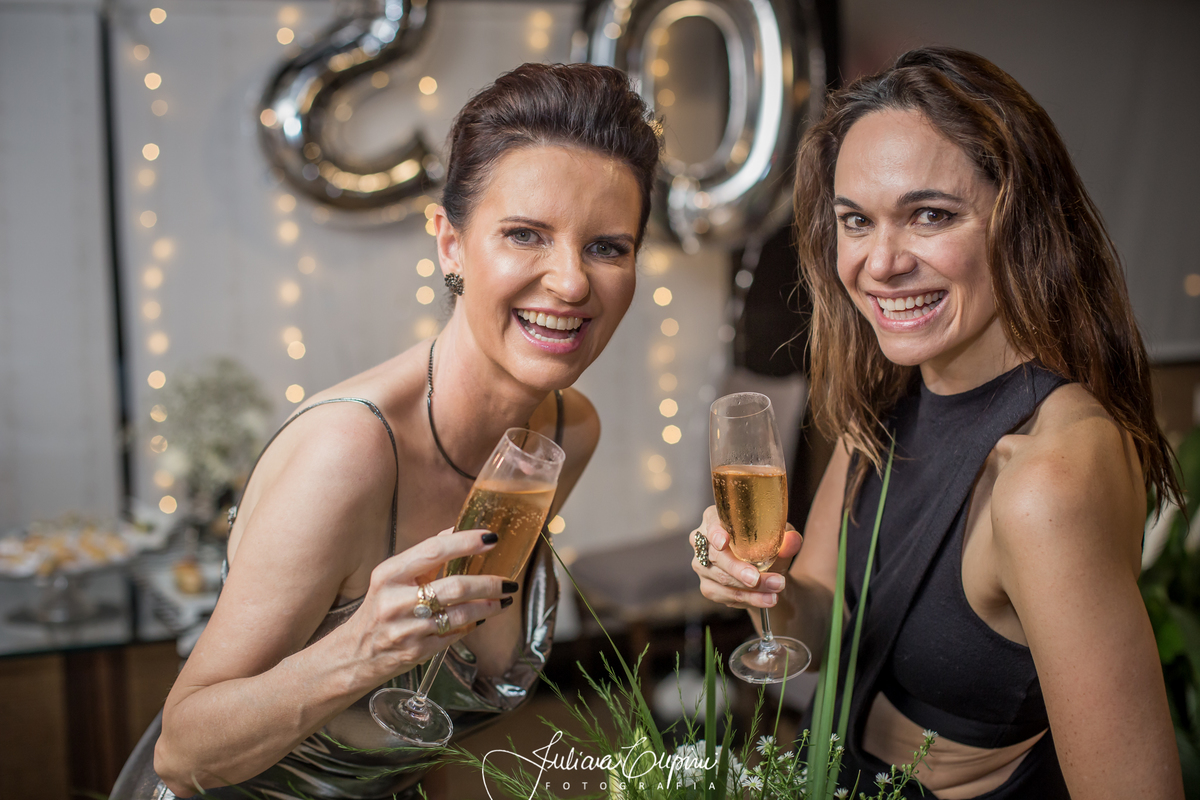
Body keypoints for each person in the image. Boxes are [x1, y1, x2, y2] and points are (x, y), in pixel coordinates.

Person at [112, 62, 660, 800]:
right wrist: (360, 651)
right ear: (450, 244)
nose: (571, 282)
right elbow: (182, 751)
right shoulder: (348, 452)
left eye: (607, 247)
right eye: (525, 235)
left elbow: (429, 707)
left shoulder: (566, 433)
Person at [691, 46, 1184, 799]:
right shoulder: (884, 406)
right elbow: (818, 621)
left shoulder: (1047, 479)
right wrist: (761, 588)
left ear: (1019, 221)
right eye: (856, 221)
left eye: (930, 215)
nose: (880, 262)